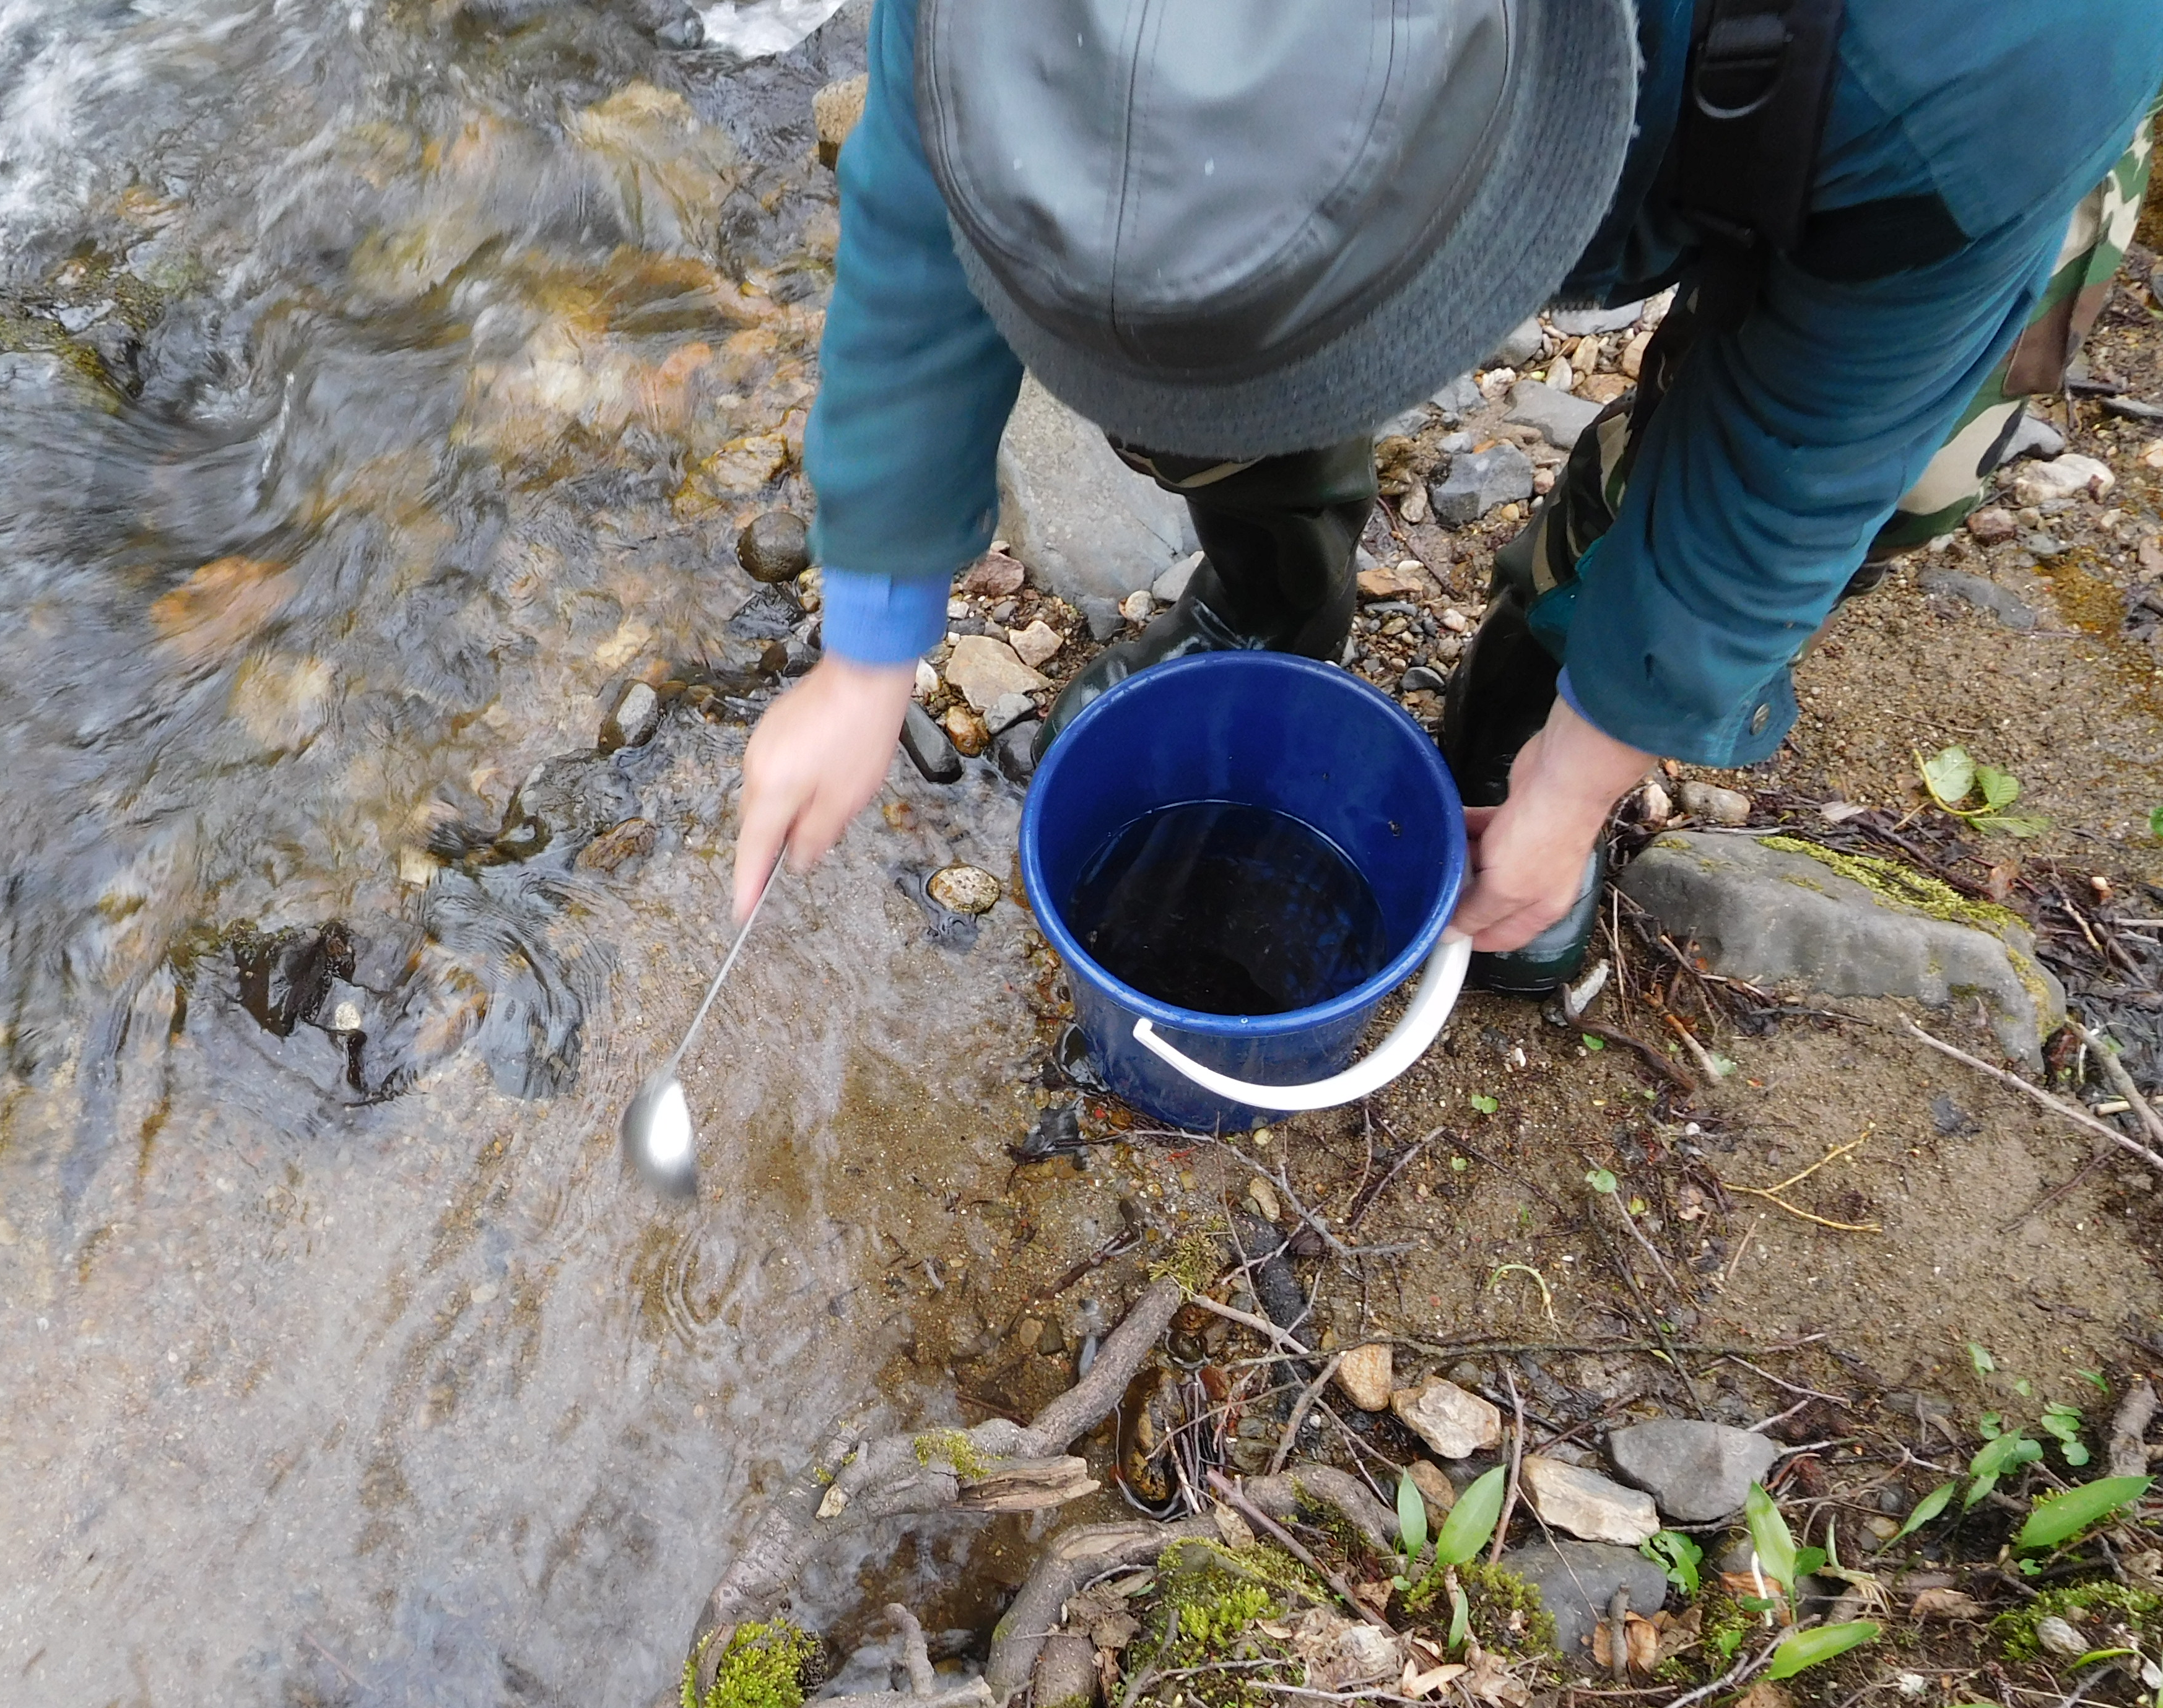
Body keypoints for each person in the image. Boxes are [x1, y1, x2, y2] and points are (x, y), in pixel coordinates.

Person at [732, 0, 2162, 992]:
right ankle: (1279, 595)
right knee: (1161, 339)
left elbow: (1796, 462)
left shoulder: (1987, 59)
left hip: (1866, 108)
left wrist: (1584, 768)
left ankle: (1514, 724)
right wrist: (870, 643)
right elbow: (939, 181)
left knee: (1912, 468)